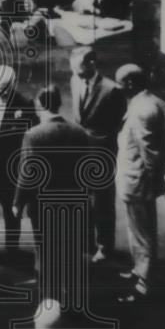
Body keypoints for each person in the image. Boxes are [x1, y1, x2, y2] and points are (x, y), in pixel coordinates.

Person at [12, 86, 91, 286]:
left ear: (39, 106)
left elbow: (27, 173)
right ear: (58, 103)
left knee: (43, 243)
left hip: (42, 200)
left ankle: (45, 281)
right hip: (73, 198)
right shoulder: (79, 132)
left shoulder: (33, 135)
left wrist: (17, 202)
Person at [114, 63, 165, 299]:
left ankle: (145, 281)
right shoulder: (143, 103)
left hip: (139, 182)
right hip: (135, 180)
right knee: (136, 230)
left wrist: (155, 180)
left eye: (120, 83)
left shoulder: (143, 110)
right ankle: (139, 269)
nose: (118, 88)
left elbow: (151, 153)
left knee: (143, 232)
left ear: (129, 83)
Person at [69, 47, 126, 263]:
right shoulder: (75, 80)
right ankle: (85, 239)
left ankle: (105, 245)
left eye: (80, 70)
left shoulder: (112, 91)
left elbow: (118, 126)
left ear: (92, 64)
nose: (76, 74)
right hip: (79, 151)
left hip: (102, 154)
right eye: (73, 70)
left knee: (102, 202)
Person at [0, 65, 37, 253]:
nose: (1, 89)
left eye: (6, 86)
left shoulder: (24, 103)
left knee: (11, 210)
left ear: (13, 84)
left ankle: (12, 249)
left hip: (10, 168)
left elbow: (32, 136)